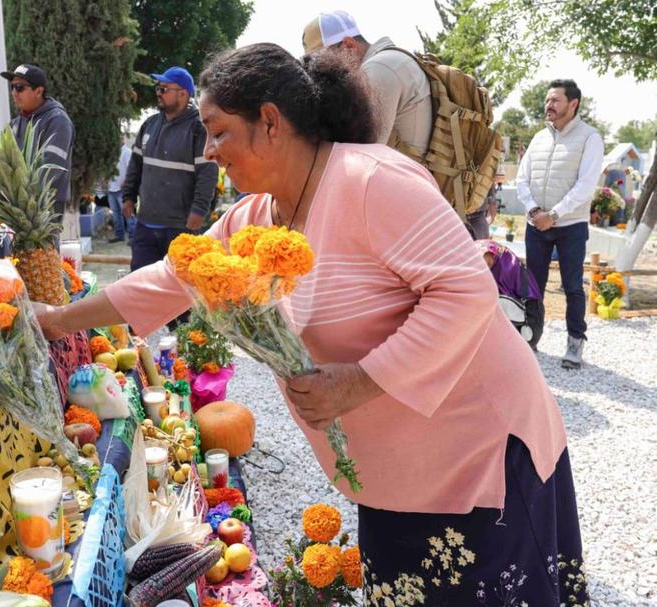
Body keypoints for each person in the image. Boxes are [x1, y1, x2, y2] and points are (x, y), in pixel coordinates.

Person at [35, 44, 586, 605]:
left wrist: (358, 382)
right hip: (397, 477)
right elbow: (171, 277)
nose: (209, 151)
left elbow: (466, 291)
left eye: (219, 131)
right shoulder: (257, 216)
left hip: (480, 462)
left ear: (270, 122)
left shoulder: (371, 180)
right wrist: (56, 321)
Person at [517, 79, 603, 369]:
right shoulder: (539, 137)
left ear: (573, 104)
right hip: (535, 224)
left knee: (572, 287)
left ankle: (575, 343)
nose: (548, 105)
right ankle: (531, 338)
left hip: (571, 227)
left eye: (555, 100)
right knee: (533, 286)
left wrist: (553, 215)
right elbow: (522, 178)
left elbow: (586, 184)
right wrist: (533, 210)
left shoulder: (590, 137)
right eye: (547, 100)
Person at [122, 66, 219, 271]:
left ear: (183, 94)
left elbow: (207, 174)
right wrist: (128, 196)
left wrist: (199, 210)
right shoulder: (149, 124)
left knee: (178, 292)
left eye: (164, 89)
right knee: (140, 283)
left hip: (180, 227)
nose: (158, 93)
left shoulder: (198, 130)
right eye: (158, 88)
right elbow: (136, 165)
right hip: (145, 225)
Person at [303, 10, 432, 157]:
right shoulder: (389, 59)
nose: (320, 70)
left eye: (323, 60)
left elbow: (363, 157)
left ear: (349, 46)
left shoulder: (378, 68)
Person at [1, 64, 75, 230]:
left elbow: (52, 168)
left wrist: (22, 196)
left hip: (47, 207)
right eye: (12, 87)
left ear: (39, 91)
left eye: (20, 87)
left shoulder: (57, 121)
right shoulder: (14, 124)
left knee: (43, 252)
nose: (14, 93)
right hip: (17, 208)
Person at [107, 138, 133, 243]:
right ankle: (119, 235)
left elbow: (131, 169)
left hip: (122, 189)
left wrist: (125, 182)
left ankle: (133, 237)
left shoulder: (127, 152)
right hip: (111, 188)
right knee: (116, 214)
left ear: (122, 139)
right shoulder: (113, 153)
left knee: (128, 213)